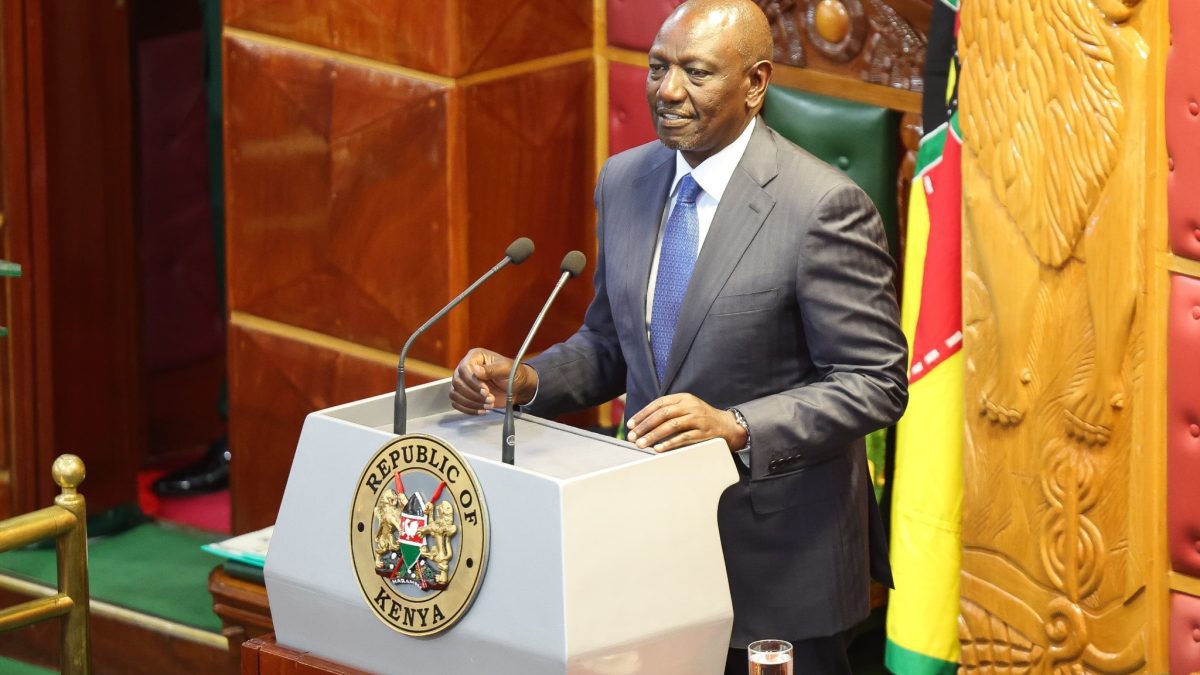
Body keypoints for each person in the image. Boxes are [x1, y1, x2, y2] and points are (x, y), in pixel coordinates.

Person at [450, 0, 907, 671]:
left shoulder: (821, 208)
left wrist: (737, 424)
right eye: (657, 66)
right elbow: (611, 347)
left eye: (695, 72)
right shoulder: (627, 180)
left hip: (778, 565)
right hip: (647, 552)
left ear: (755, 83)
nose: (666, 91)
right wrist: (527, 379)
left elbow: (875, 383)